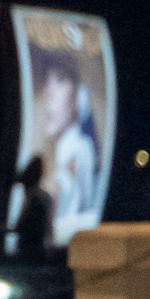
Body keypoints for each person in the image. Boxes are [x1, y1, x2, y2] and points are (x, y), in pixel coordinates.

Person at [30, 45, 101, 245]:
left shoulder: (81, 148)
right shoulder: (62, 150)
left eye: (60, 81)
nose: (49, 92)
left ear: (77, 95)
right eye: (47, 82)